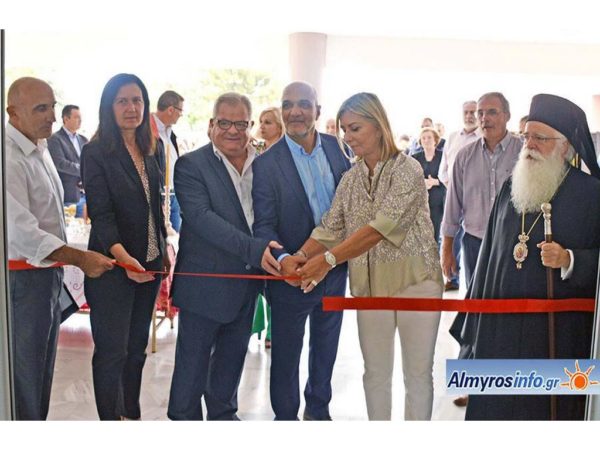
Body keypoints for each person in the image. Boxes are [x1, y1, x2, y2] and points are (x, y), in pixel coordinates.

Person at [296, 92, 443, 420]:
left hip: (416, 284)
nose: (347, 137)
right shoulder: (350, 179)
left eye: (355, 128)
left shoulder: (408, 169)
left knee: (417, 375)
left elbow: (381, 228)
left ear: (378, 126)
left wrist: (327, 261)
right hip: (369, 290)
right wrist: (300, 256)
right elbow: (330, 227)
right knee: (375, 374)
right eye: (344, 130)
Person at [457, 94, 600, 420]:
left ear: (564, 146)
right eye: (527, 137)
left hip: (559, 334)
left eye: (540, 138)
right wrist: (473, 326)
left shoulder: (592, 195)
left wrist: (570, 260)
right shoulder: (511, 188)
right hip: (501, 330)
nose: (530, 145)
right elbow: (488, 259)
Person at [167, 93, 281, 420]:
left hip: (247, 284)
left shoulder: (264, 163)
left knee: (230, 367)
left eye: (241, 124)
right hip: (204, 285)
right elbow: (202, 219)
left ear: (250, 125)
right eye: (225, 122)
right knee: (191, 372)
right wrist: (256, 251)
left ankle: (223, 418)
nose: (233, 130)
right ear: (211, 124)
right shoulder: (191, 165)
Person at [6, 77, 113, 420]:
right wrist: (80, 258)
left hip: (46, 277)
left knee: (40, 371)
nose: (52, 116)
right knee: (24, 377)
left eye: (52, 106)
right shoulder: (9, 158)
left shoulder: (39, 148)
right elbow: (22, 233)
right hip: (22, 282)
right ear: (13, 112)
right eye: (41, 108)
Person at [252, 81, 351, 420]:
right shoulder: (266, 164)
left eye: (304, 104)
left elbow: (350, 209)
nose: (295, 111)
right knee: (286, 355)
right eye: (287, 104)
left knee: (326, 349)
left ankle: (318, 411)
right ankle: (285, 418)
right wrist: (283, 260)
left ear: (318, 111)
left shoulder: (338, 149)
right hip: (290, 277)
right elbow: (264, 225)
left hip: (334, 270)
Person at [82, 73, 169, 420]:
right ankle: (110, 421)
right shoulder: (95, 152)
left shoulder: (153, 148)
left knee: (136, 350)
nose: (131, 108)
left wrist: (162, 248)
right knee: (112, 352)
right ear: (109, 107)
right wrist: (124, 259)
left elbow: (155, 205)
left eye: (137, 100)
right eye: (122, 101)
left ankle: (130, 414)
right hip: (113, 267)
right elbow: (101, 215)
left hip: (149, 265)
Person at [438, 100, 481, 292]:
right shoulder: (453, 138)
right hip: (454, 198)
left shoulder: (484, 138)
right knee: (451, 239)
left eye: (473, 112)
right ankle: (452, 278)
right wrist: (454, 189)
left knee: (473, 242)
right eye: (466, 112)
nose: (469, 116)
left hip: (477, 200)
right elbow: (443, 171)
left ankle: (476, 284)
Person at [252, 106, 285, 349]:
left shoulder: (283, 157)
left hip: (278, 227)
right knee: (258, 281)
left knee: (276, 281)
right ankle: (257, 326)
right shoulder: (256, 153)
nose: (262, 126)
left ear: (280, 126)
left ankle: (274, 329)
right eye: (261, 121)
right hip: (255, 223)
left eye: (268, 122)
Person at [151, 90, 184, 232]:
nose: (181, 115)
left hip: (173, 193)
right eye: (180, 110)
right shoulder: (147, 131)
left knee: (175, 238)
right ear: (171, 109)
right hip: (160, 196)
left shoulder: (170, 133)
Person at [47, 104, 88, 217]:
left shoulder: (83, 140)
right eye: (76, 117)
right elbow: (60, 163)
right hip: (68, 196)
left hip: (85, 195)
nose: (80, 120)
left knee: (84, 226)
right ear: (66, 119)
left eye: (80, 117)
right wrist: (83, 170)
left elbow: (90, 162)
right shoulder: (54, 139)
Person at [412, 127, 446, 244]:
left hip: (437, 203)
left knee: (434, 236)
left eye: (429, 138)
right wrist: (422, 183)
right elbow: (409, 179)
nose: (426, 140)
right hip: (420, 204)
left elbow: (450, 177)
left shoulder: (443, 156)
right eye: (423, 138)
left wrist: (436, 182)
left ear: (435, 140)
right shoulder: (415, 158)